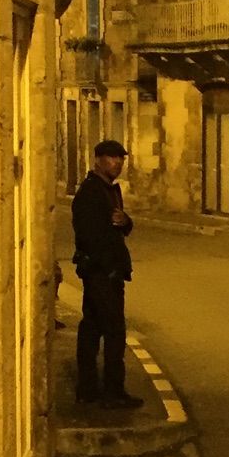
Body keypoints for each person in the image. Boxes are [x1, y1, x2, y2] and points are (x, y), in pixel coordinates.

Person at [72, 139, 137, 405]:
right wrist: (106, 268)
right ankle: (112, 391)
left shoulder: (110, 190)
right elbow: (89, 235)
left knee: (93, 327)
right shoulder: (90, 192)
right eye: (111, 158)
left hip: (107, 271)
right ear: (98, 159)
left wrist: (126, 221)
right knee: (113, 331)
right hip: (101, 272)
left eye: (120, 159)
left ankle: (88, 389)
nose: (117, 163)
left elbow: (118, 224)